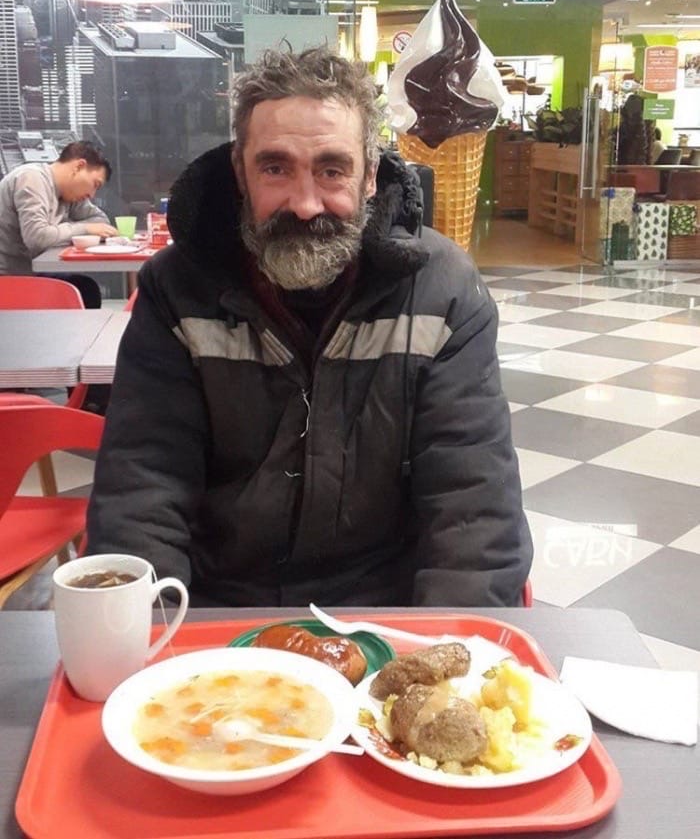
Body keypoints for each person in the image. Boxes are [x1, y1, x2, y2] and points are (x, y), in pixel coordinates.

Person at [87, 47, 532, 607]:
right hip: (217, 609)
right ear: (240, 173)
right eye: (275, 168)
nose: (304, 204)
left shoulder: (442, 291)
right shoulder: (177, 289)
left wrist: (447, 653)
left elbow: (472, 509)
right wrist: (151, 636)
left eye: (332, 170)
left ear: (370, 177)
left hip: (385, 613)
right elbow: (143, 488)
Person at [0, 140, 118, 307]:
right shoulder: (31, 178)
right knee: (84, 290)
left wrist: (62, 230)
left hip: (29, 272)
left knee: (85, 288)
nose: (92, 195)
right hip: (7, 278)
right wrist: (84, 228)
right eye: (95, 184)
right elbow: (37, 237)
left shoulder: (69, 193)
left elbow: (101, 221)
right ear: (79, 166)